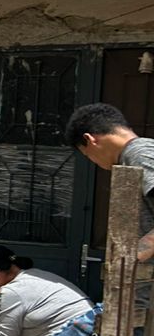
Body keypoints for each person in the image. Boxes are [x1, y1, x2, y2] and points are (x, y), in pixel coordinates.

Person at [65, 103, 154, 259]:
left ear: (90, 139)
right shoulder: (133, 154)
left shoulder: (140, 153)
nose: (93, 161)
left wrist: (132, 257)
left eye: (87, 155)